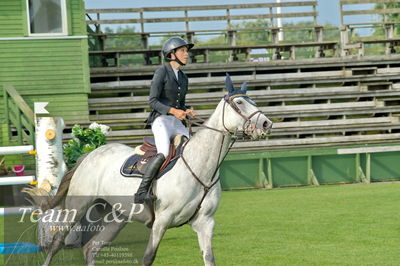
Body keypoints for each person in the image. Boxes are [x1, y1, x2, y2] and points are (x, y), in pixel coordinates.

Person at [134, 37, 196, 204]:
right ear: (171, 54)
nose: (186, 54)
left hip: (176, 123)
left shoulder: (183, 77)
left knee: (192, 151)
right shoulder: (162, 71)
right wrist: (174, 111)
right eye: (182, 51)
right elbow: (152, 101)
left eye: (186, 51)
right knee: (163, 152)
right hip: (161, 121)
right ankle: (142, 191)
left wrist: (186, 111)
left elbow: (181, 104)